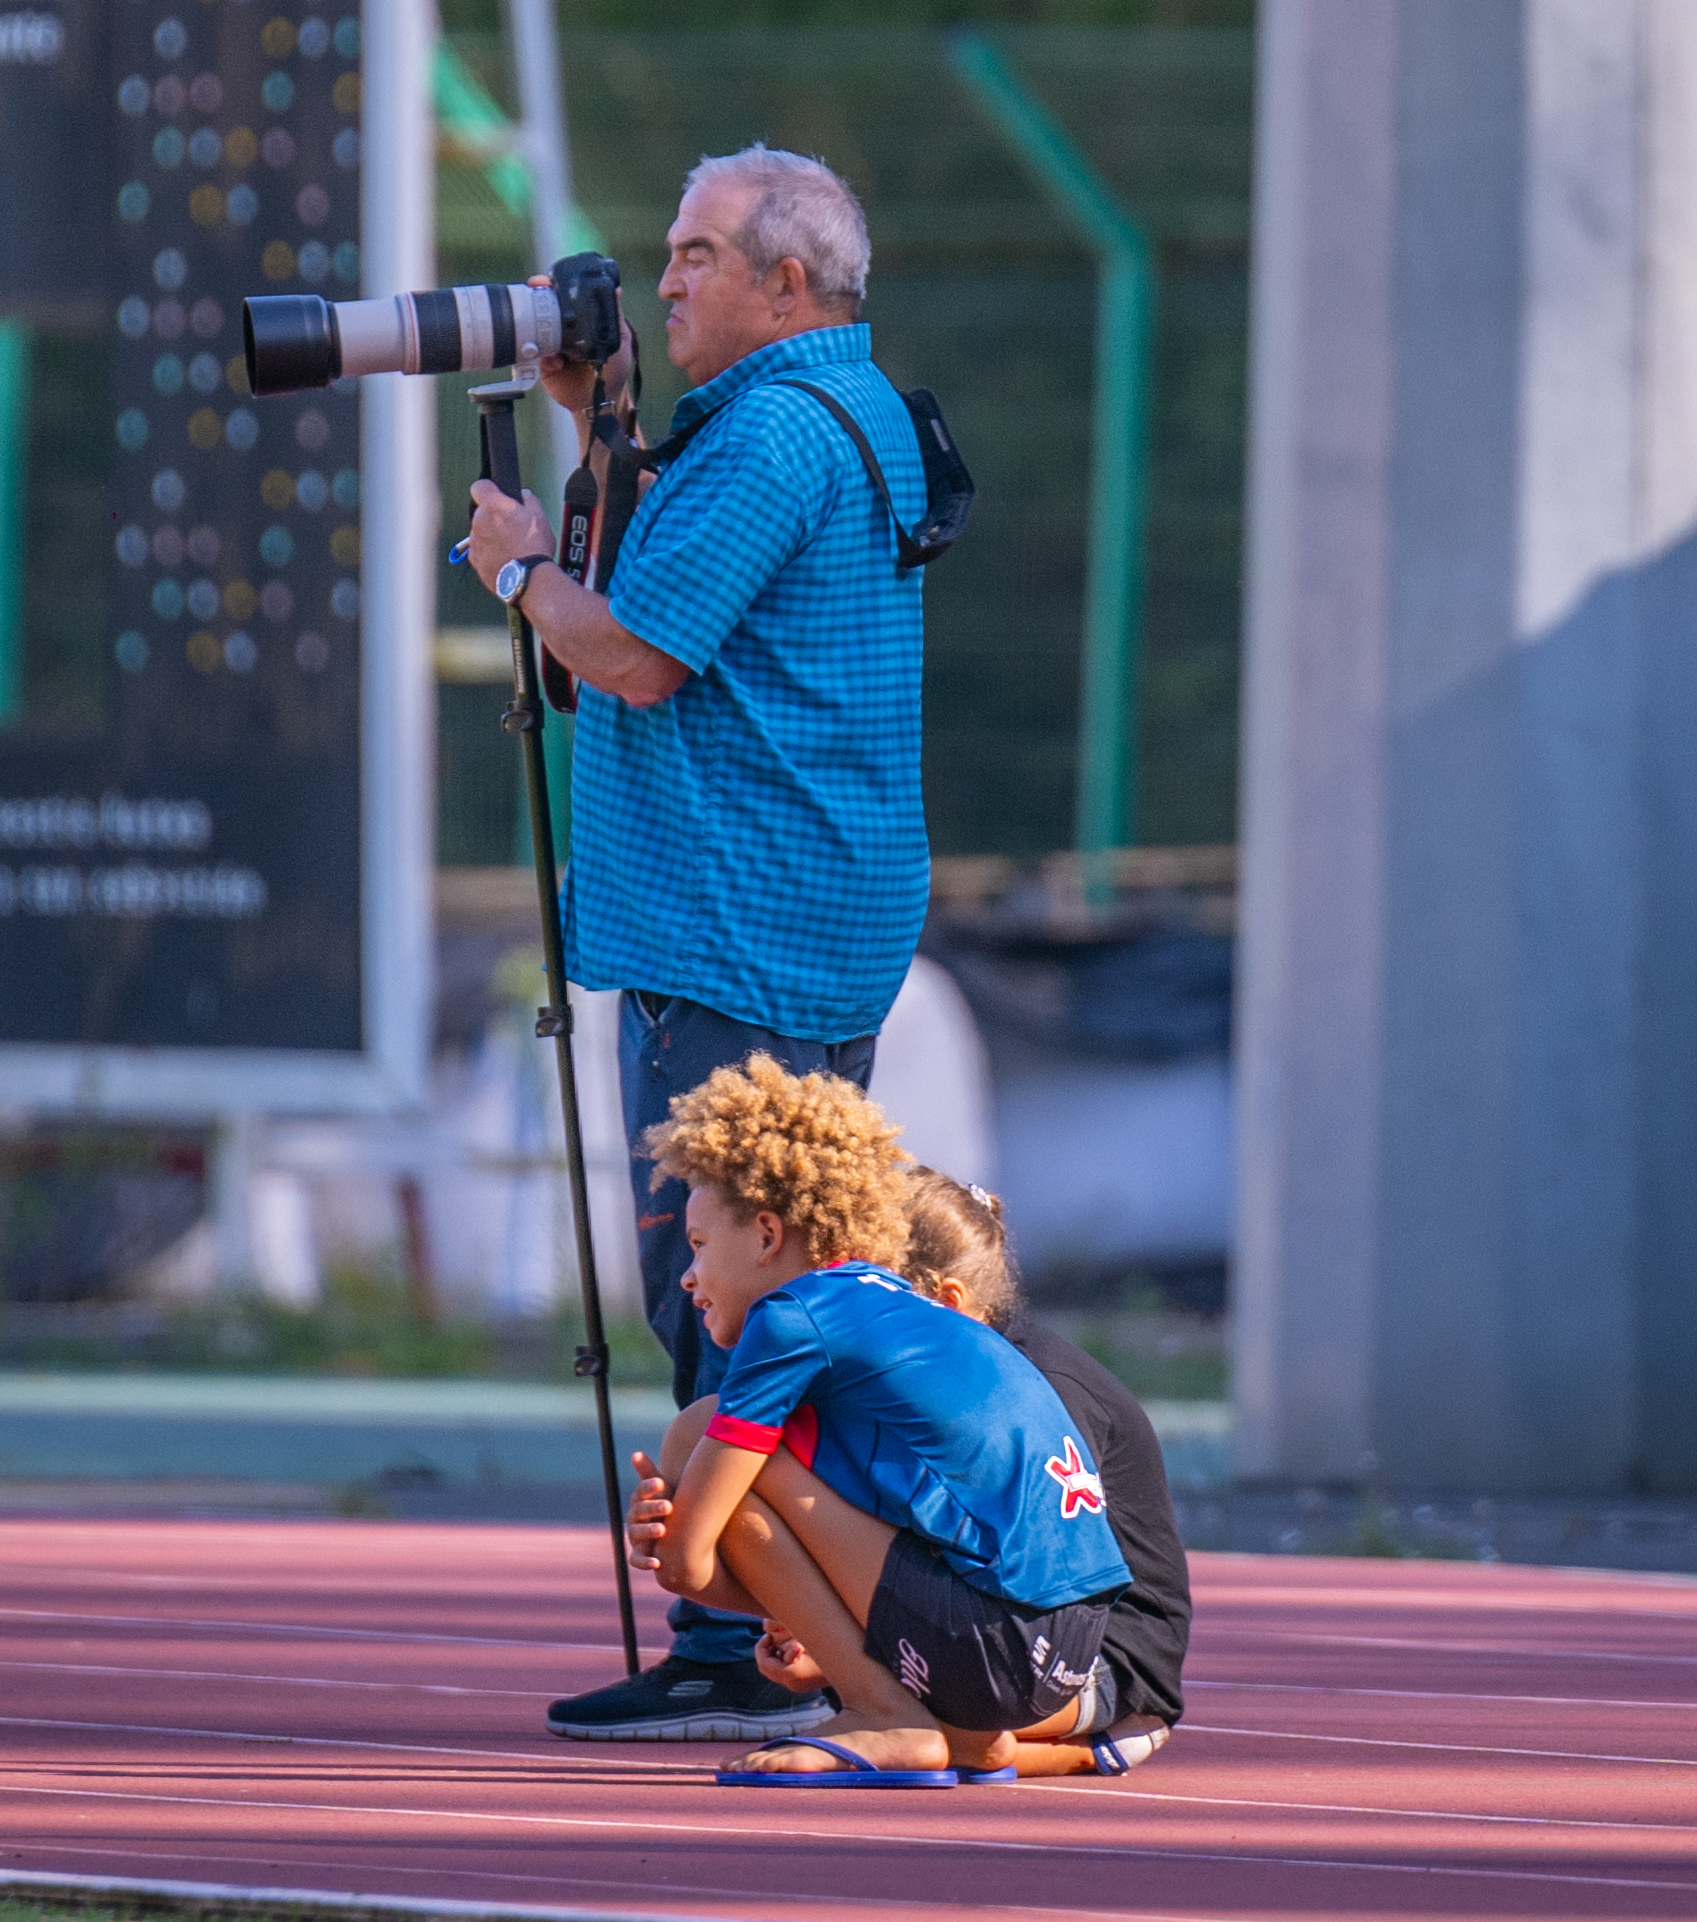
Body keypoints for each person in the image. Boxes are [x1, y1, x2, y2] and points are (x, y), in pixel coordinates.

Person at [456, 147, 932, 1743]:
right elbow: (675, 600)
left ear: (786, 283)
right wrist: (601, 427)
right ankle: (799, 1619)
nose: (663, 279)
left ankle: (740, 1635)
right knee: (803, 1283)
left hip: (733, 928)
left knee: (723, 1292)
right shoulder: (844, 408)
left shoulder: (770, 436)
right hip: (815, 913)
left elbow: (636, 652)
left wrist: (516, 566)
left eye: (697, 255)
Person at [613, 1057, 1131, 1785]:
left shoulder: (794, 1315)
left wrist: (670, 1530)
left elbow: (689, 1564)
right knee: (732, 1453)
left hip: (999, 1642)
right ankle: (962, 1734)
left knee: (701, 1434)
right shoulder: (893, 1307)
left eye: (697, 1245)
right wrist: (809, 1612)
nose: (687, 1277)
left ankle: (882, 1710)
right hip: (1067, 1657)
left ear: (767, 1234)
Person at [745, 1166, 1185, 1776]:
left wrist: (844, 1649)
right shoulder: (917, 1379)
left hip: (1101, 1661)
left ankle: (1047, 1739)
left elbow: (1029, 1570)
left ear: (947, 1302)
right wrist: (812, 1626)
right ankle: (972, 1739)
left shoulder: (1034, 1392)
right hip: (993, 1631)